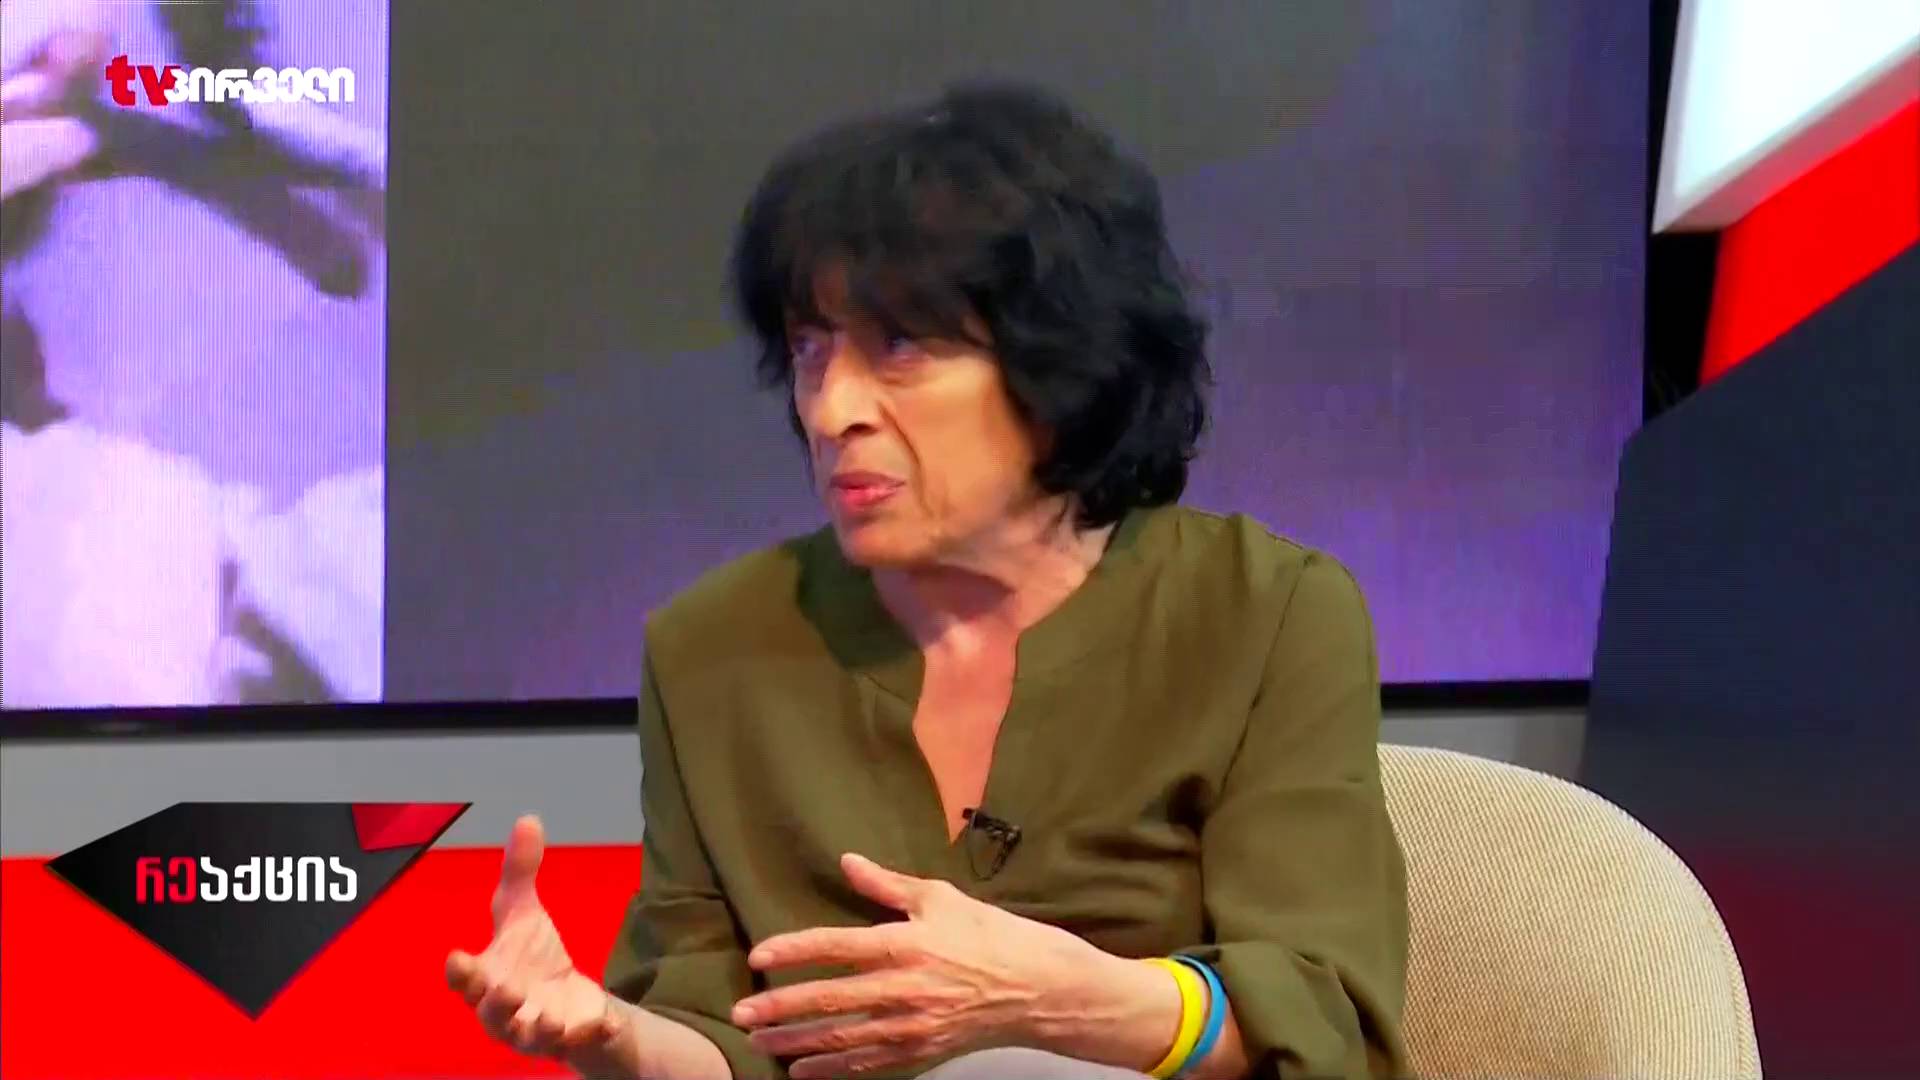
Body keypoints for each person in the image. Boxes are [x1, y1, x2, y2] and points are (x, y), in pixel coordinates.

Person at [446, 82, 1410, 1080]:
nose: (832, 411)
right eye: (810, 350)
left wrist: (1057, 1004)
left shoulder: (1266, 613)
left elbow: (1324, 1016)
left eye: (898, 347)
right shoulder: (710, 650)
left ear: (1062, 361)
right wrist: (611, 1033)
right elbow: (720, 1037)